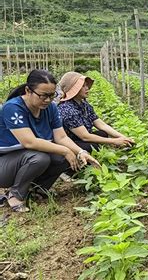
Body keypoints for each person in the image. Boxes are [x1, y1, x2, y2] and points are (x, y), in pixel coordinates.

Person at [0, 69, 99, 212]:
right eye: (43, 95)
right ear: (28, 90)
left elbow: (61, 137)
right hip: (4, 165)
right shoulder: (13, 108)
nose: (47, 100)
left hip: (24, 158)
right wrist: (65, 150)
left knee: (63, 156)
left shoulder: (50, 108)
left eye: (52, 95)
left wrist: (80, 152)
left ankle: (37, 190)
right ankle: (15, 195)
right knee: (40, 158)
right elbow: (30, 142)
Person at [57, 72, 134, 153]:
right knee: (93, 147)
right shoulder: (67, 109)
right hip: (71, 142)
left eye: (86, 85)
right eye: (83, 86)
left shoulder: (84, 104)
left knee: (103, 133)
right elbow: (85, 137)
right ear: (74, 89)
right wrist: (114, 141)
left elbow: (101, 125)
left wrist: (123, 137)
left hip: (83, 137)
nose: (87, 88)